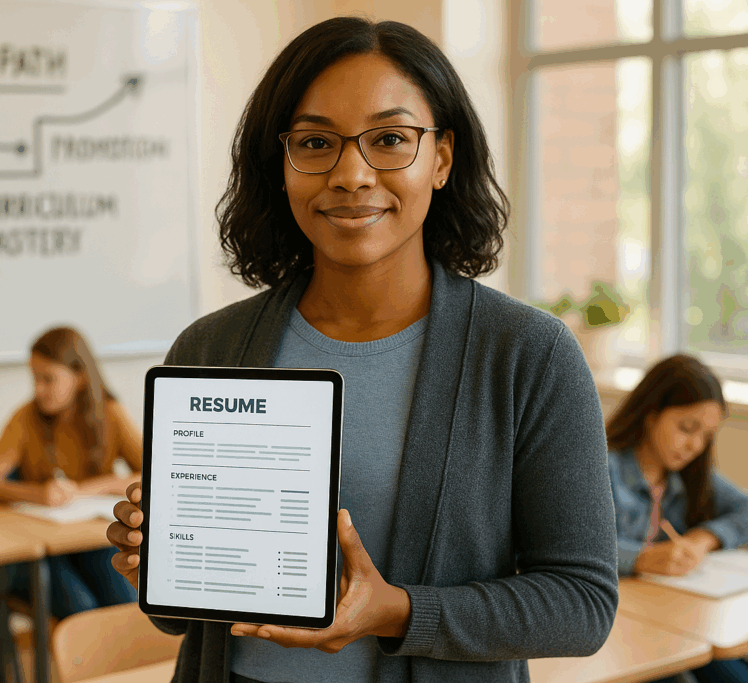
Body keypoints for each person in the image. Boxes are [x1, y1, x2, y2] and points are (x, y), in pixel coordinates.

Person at [107, 16, 618, 683]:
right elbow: (184, 617)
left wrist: (398, 610)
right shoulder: (211, 347)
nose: (351, 174)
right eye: (315, 142)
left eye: (390, 140)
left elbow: (582, 604)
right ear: (281, 164)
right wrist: (158, 562)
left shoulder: (527, 354)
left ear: (441, 157)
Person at [0, 326, 141, 618]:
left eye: (48, 379)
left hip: (88, 542)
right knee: (81, 609)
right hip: (42, 551)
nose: (38, 389)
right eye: (34, 379)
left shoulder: (110, 414)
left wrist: (89, 488)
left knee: (125, 605)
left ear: (79, 377)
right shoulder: (25, 418)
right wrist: (36, 493)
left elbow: (154, 474)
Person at [607, 354, 748, 683]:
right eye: (687, 428)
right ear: (651, 414)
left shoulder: (690, 476)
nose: (695, 445)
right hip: (625, 630)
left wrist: (703, 539)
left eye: (706, 436)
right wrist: (640, 559)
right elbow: (565, 549)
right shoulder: (603, 469)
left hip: (683, 622)